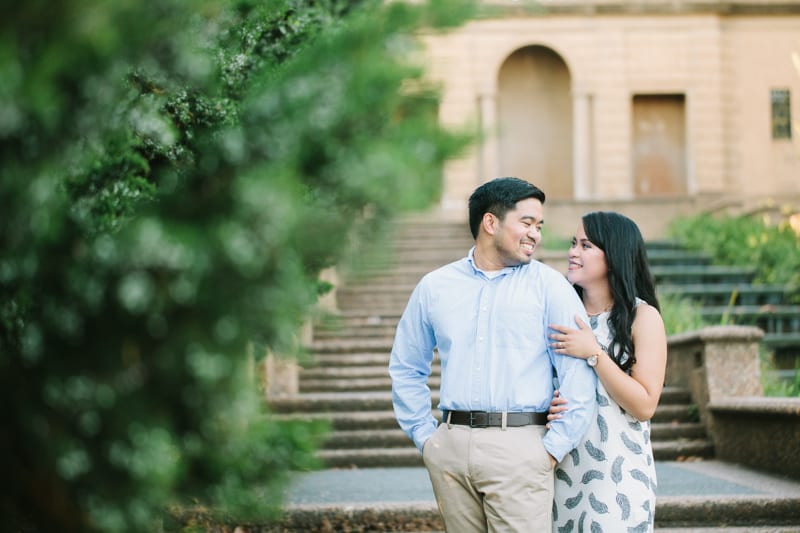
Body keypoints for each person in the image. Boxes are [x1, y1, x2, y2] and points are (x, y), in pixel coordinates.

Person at [389, 177, 598, 532]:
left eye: (539, 226)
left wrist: (549, 451)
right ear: (490, 222)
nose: (536, 234)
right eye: (527, 223)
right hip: (451, 449)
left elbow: (577, 373)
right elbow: (407, 366)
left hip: (521, 450)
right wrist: (427, 439)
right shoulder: (435, 287)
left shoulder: (550, 287)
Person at [547, 211, 667, 533]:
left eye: (586, 245)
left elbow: (644, 405)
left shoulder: (643, 317)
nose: (573, 252)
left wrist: (595, 353)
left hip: (618, 475)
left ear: (613, 256)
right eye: (574, 243)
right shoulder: (560, 314)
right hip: (561, 469)